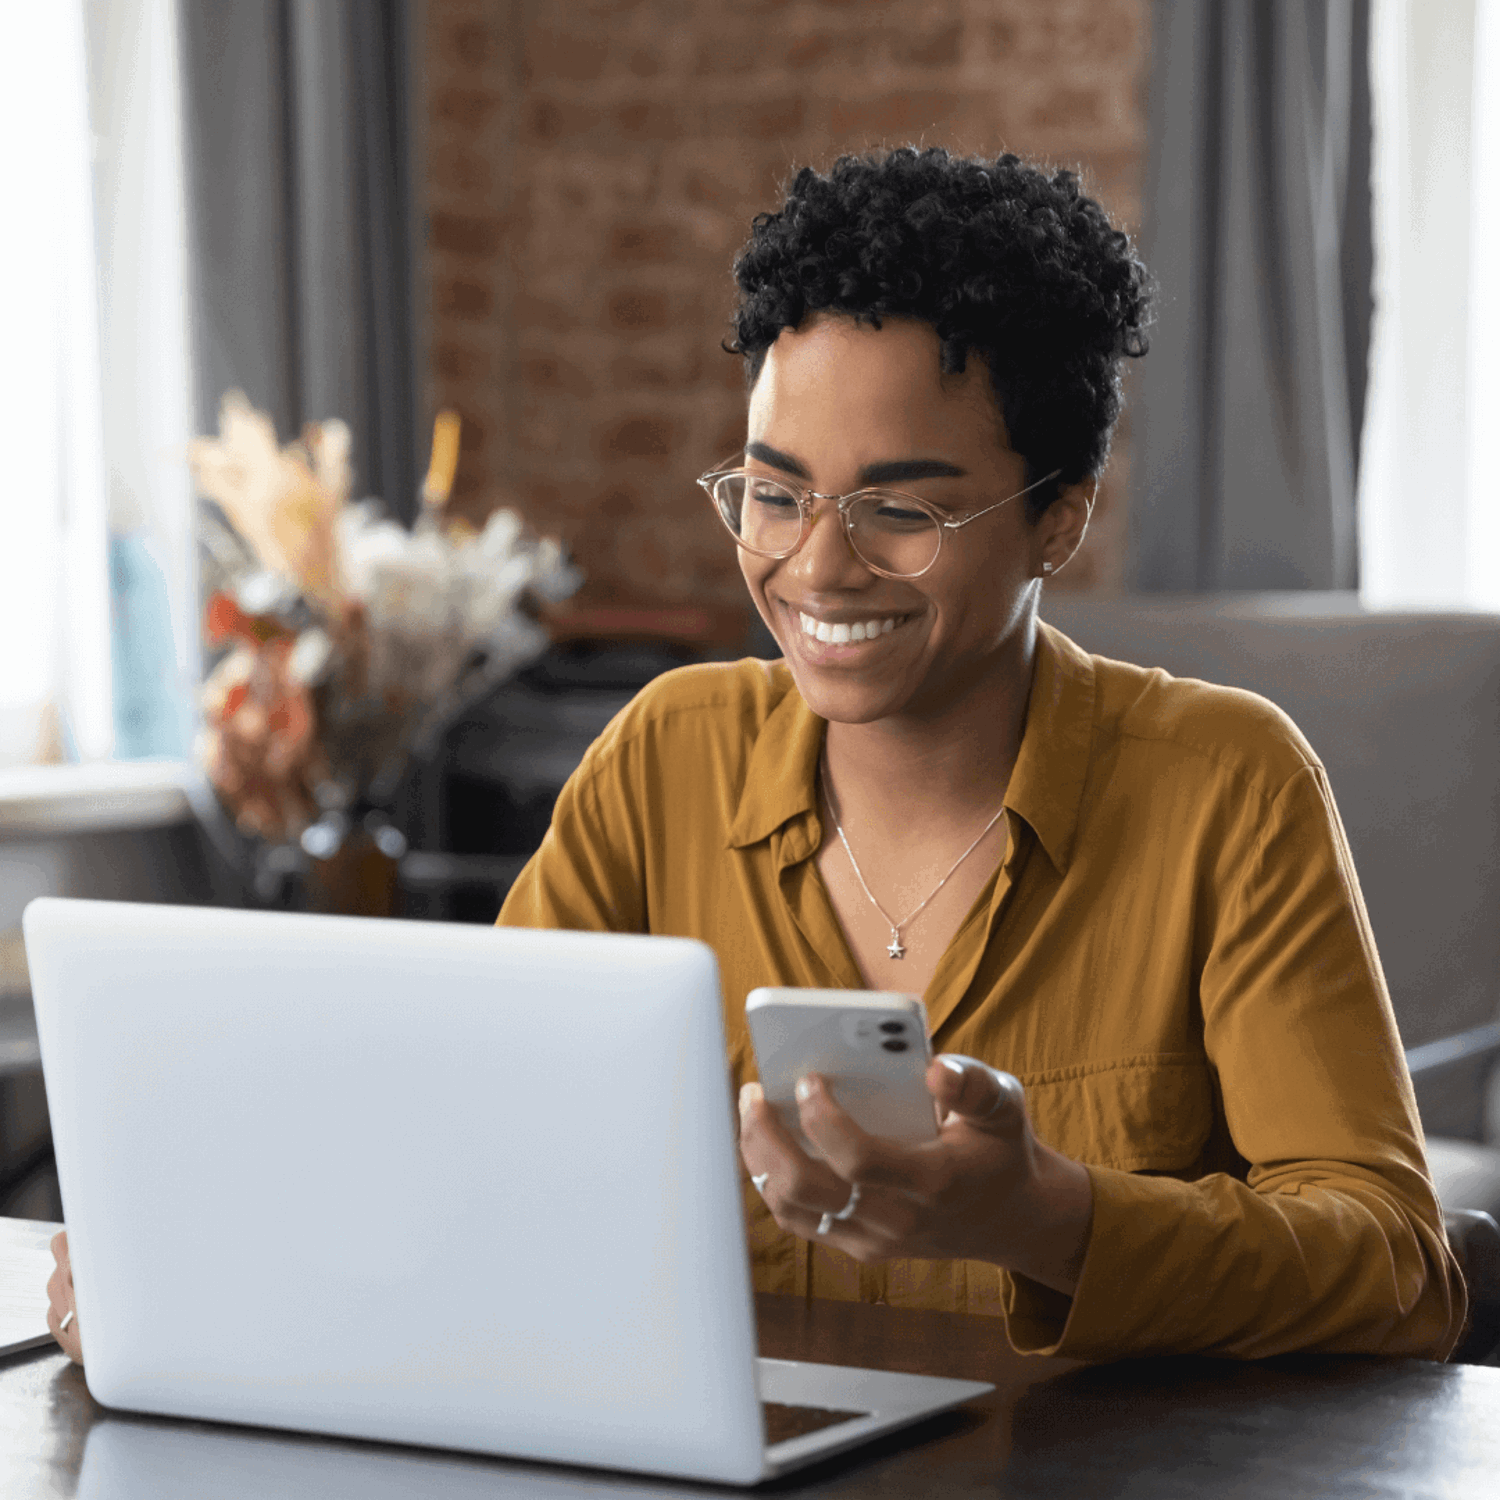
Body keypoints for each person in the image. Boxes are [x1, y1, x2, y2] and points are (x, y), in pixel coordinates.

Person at [48, 146, 1465, 1364]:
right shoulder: (667, 757)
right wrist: (201, 1254)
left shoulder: (1225, 786)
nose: (815, 566)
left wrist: (1047, 1215)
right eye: (773, 492)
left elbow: (1400, 1266)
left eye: (899, 510)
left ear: (1060, 518)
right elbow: (459, 1135)